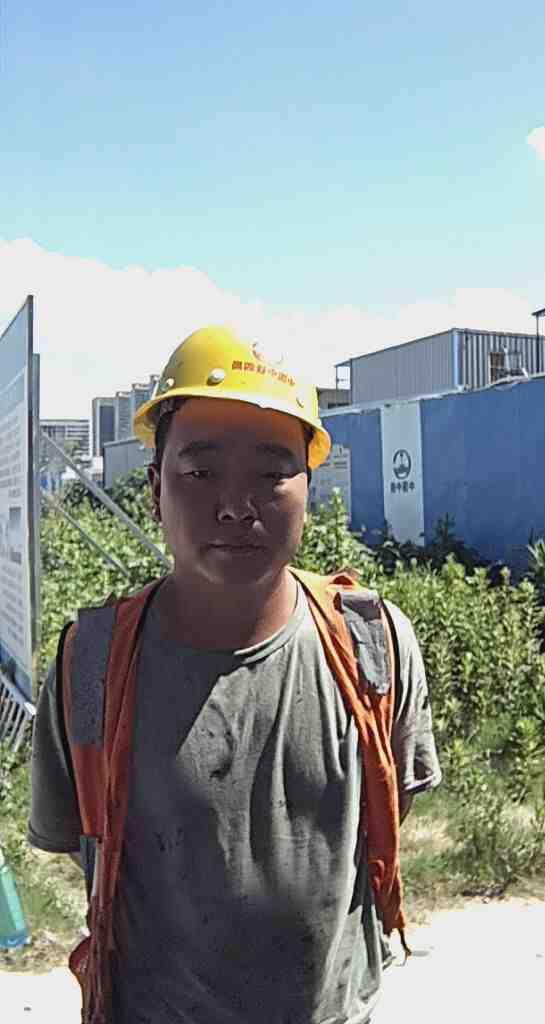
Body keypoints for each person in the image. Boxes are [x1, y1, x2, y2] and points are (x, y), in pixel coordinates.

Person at [28, 326, 441, 1024]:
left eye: (271, 472)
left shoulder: (373, 645)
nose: (235, 505)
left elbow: (380, 815)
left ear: (308, 490)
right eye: (200, 472)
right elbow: (85, 848)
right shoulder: (89, 666)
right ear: (155, 489)